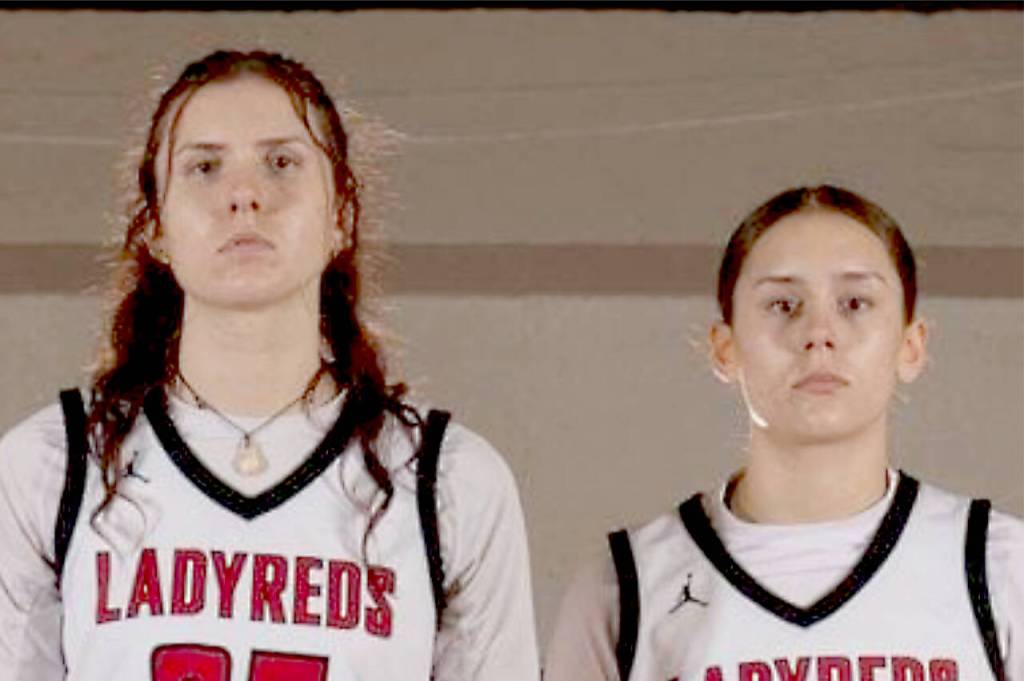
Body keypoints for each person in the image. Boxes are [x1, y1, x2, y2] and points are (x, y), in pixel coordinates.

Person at [0, 50, 538, 681]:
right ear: (155, 227)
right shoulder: (51, 468)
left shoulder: (447, 482)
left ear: (342, 216)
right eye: (204, 166)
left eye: (282, 162)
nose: (245, 196)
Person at [545, 185, 1023, 680]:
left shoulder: (999, 569)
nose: (819, 333)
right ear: (725, 348)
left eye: (855, 302)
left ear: (911, 346)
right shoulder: (626, 589)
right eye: (782, 305)